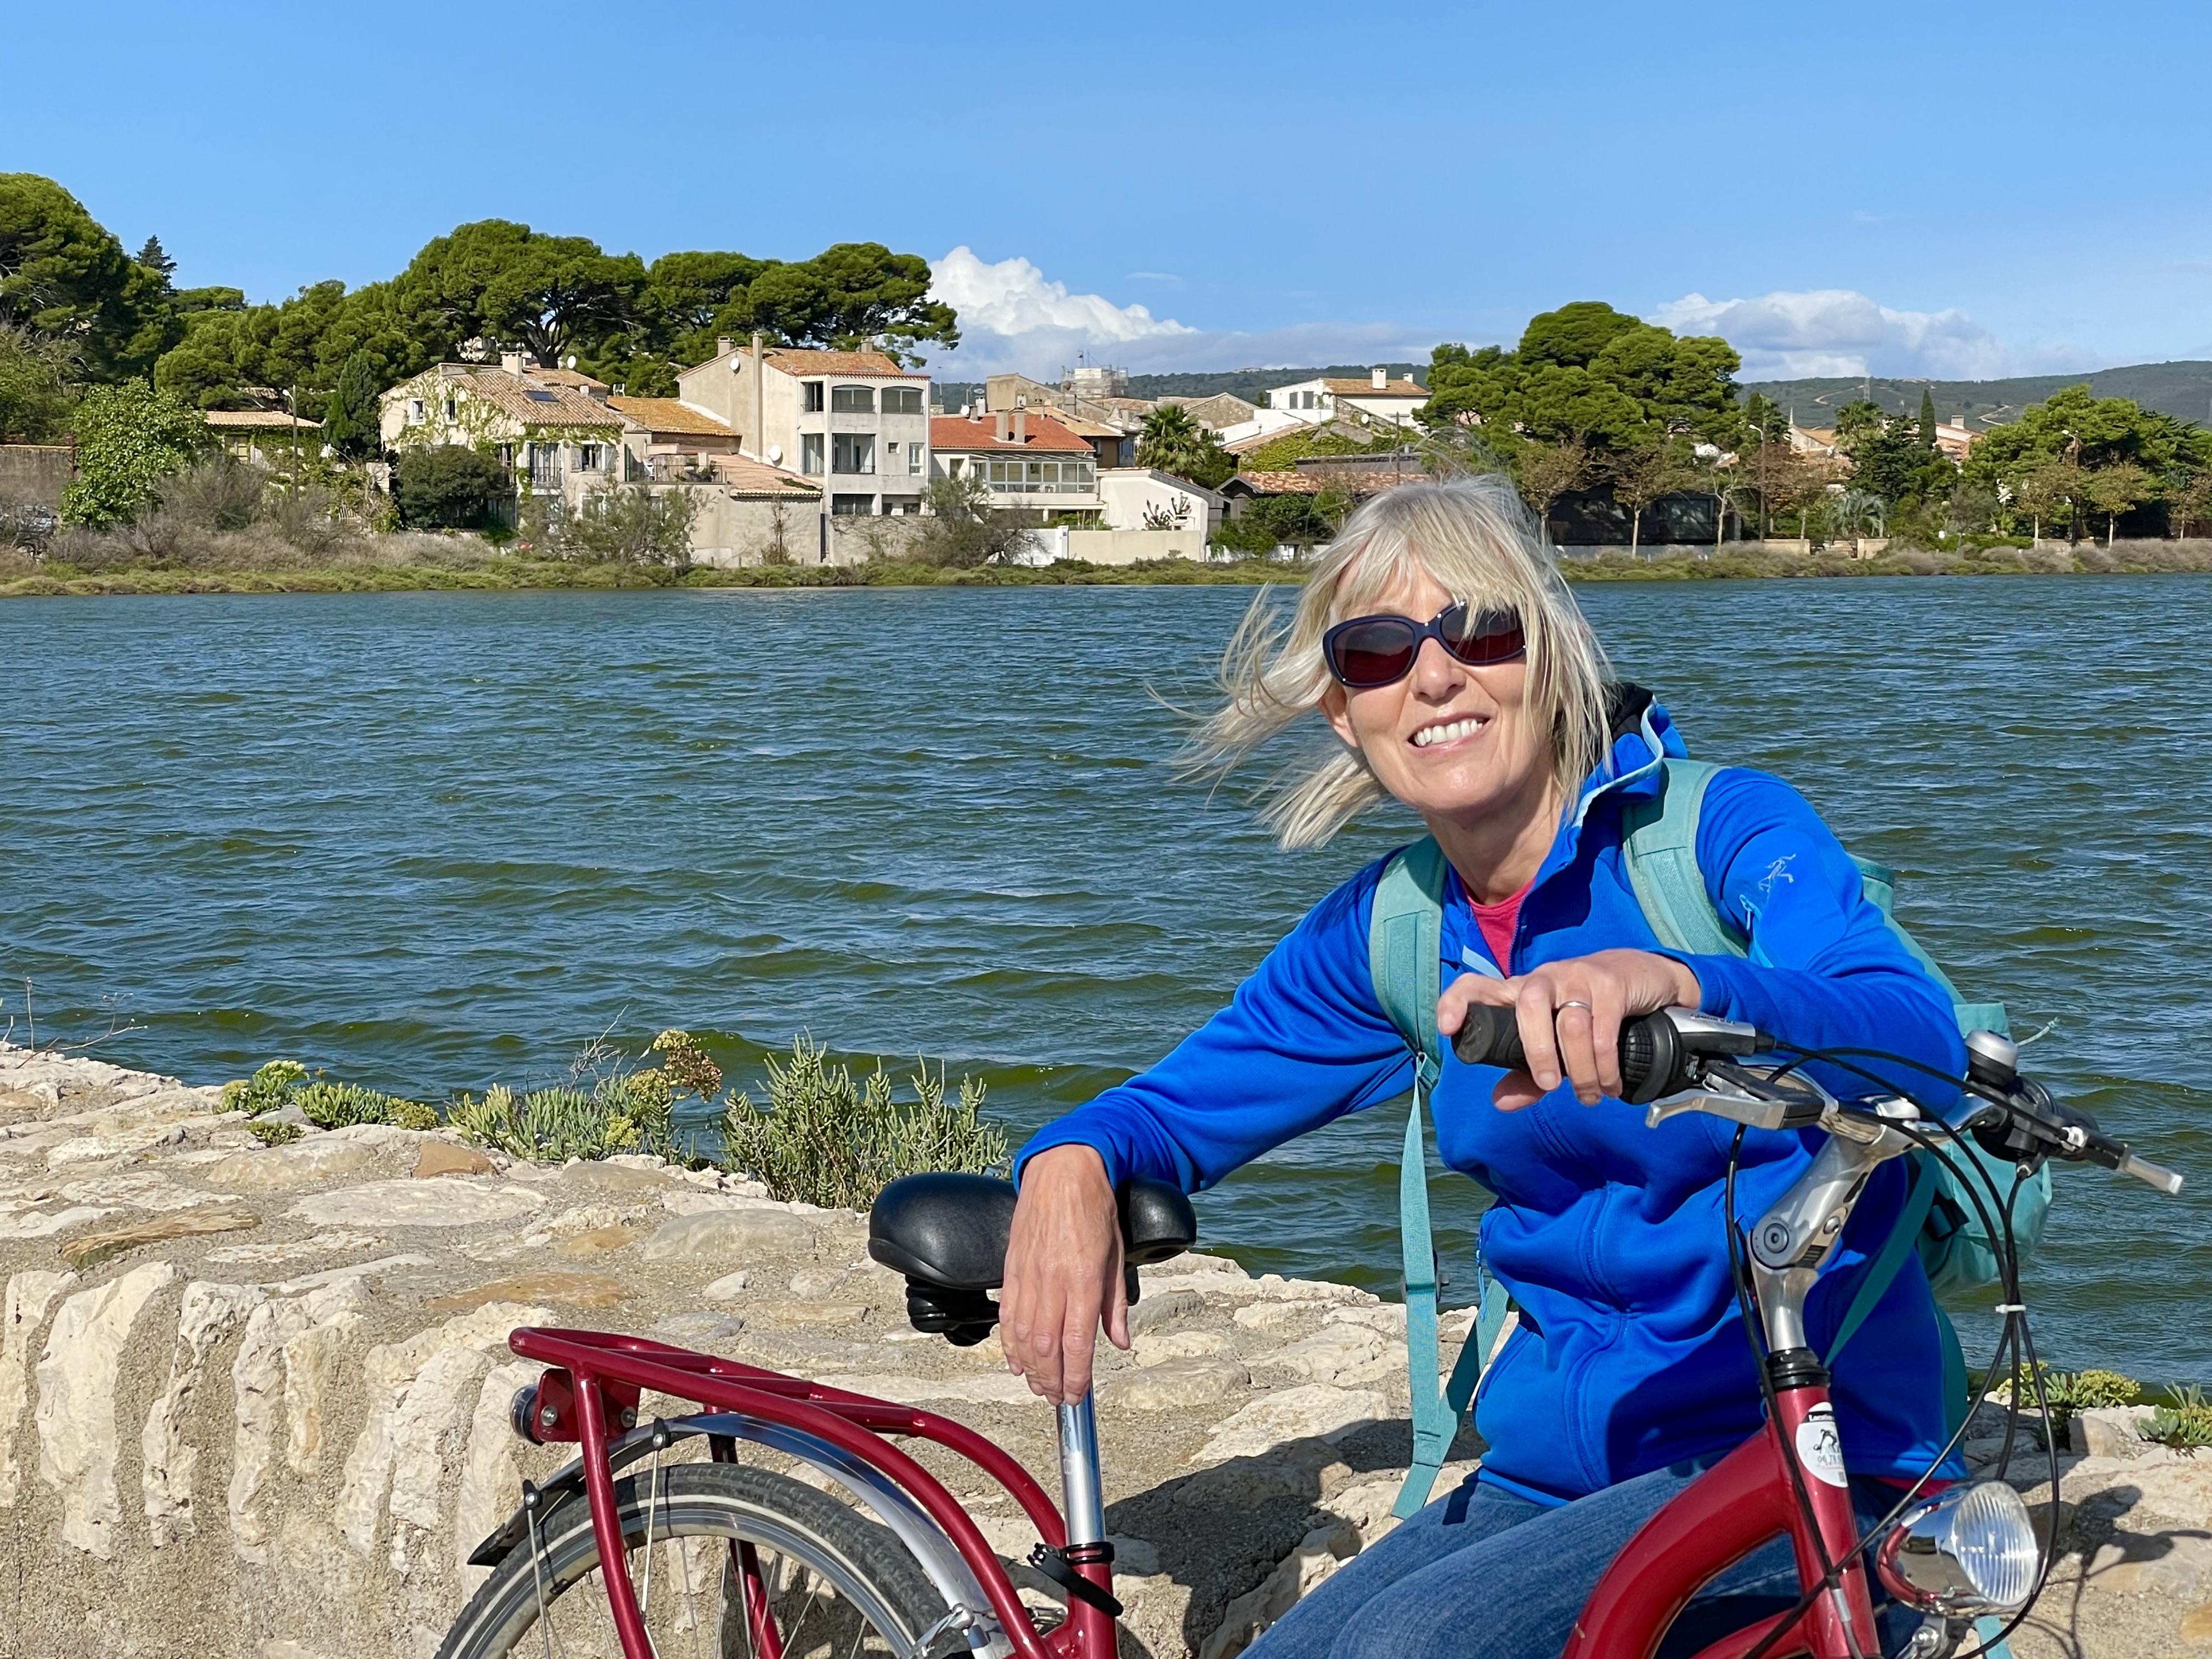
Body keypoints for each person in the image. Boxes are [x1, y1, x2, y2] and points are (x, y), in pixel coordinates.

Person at [997, 478, 1966, 1659]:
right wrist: (1070, 1161)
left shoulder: (1718, 835)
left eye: (1483, 631)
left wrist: (1684, 983)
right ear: (1343, 713)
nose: (1436, 676)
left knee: (1403, 1650)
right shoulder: (1395, 928)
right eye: (1378, 652)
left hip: (1816, 1459)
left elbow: (1918, 1042)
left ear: (1550, 655)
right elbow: (1178, 1108)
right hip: (1550, 1478)